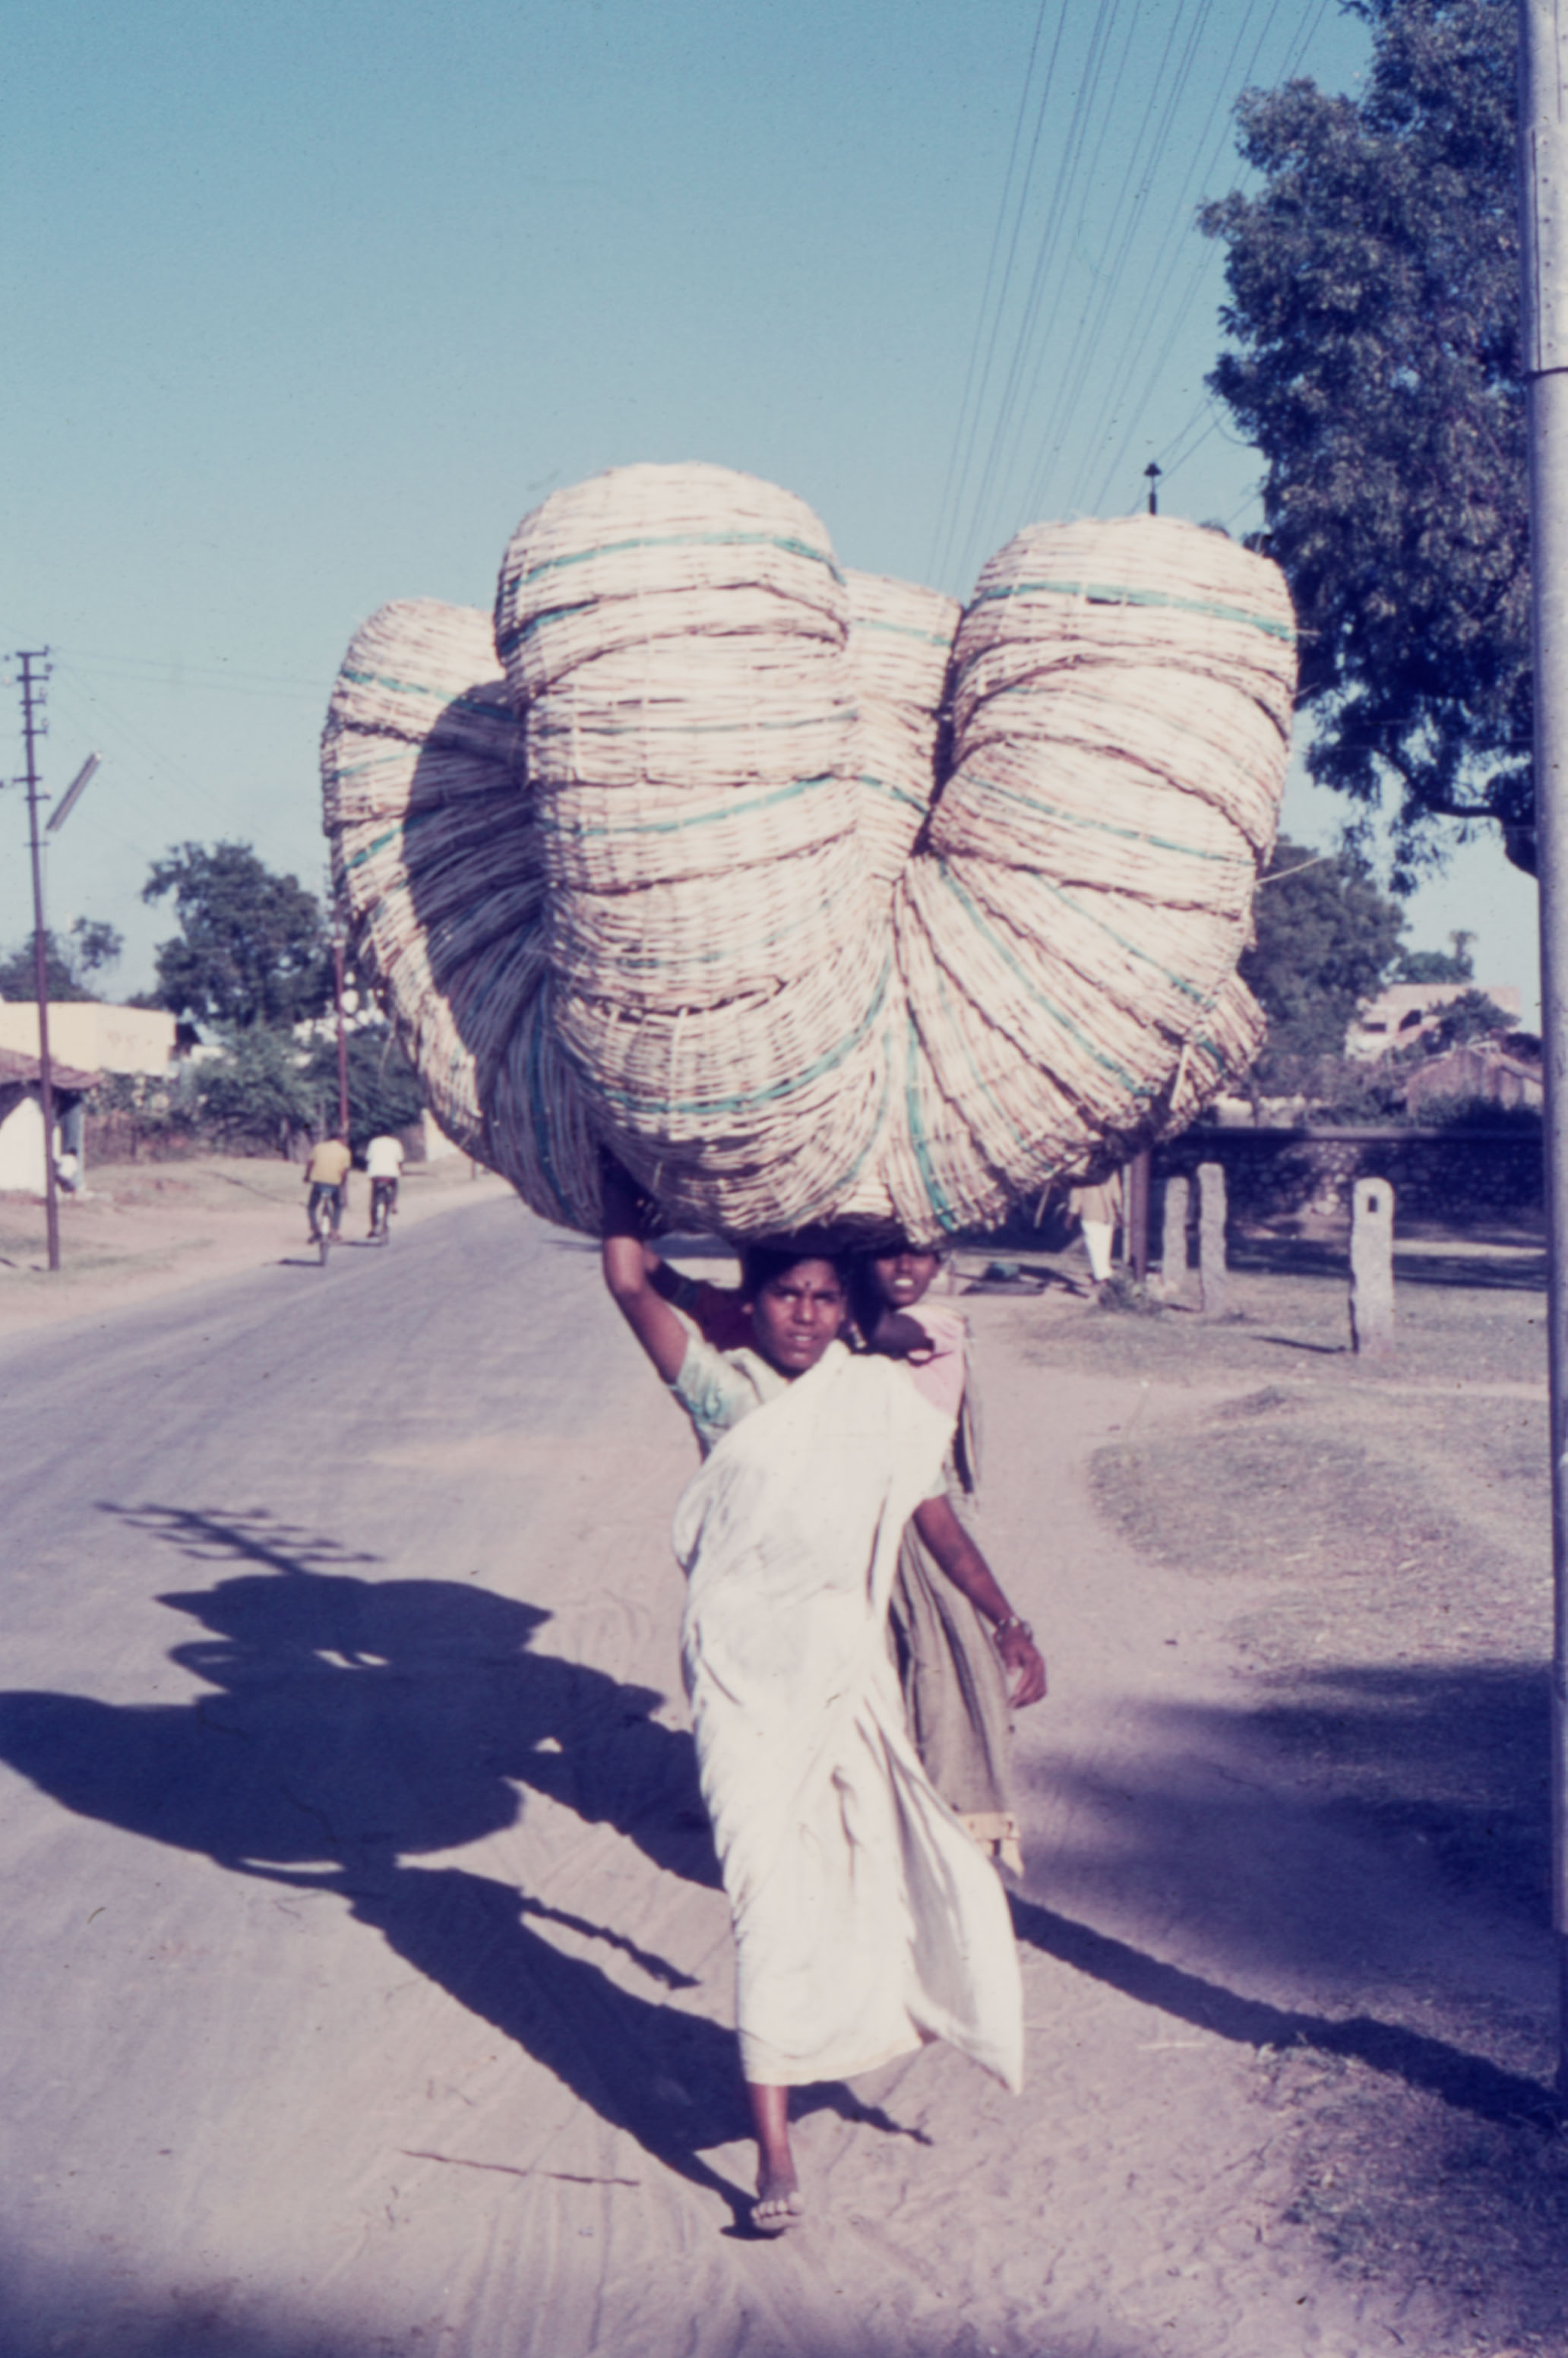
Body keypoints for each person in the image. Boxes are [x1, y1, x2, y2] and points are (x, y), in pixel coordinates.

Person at [601, 1165, 1043, 2236]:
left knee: (885, 1855)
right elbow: (627, 1281)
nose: (803, 1314)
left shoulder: (877, 1402)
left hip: (843, 1666)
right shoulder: (724, 1394)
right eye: (785, 1295)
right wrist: (617, 1177)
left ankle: (904, 2009)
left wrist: (1006, 1619)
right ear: (751, 1302)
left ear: (848, 1308)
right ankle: (775, 2152)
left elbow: (935, 1520)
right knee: (764, 1894)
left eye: (823, 1297)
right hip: (741, 1676)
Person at [852, 1241, 1031, 1874]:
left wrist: (839, 1258)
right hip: (865, 1520)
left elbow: (882, 1331)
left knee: (945, 1664)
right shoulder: (845, 1340)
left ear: (941, 1264)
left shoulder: (937, 1324)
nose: (905, 1268)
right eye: (886, 1255)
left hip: (928, 1520)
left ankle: (945, 1828)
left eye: (921, 1256)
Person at [1068, 1169, 1122, 1290]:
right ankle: (1102, 1276)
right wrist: (1071, 1215)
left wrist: (1119, 1213)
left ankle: (1103, 1276)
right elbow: (1077, 1195)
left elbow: (1116, 1193)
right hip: (1095, 1215)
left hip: (1104, 1216)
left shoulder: (1110, 1171)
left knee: (1102, 1247)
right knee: (1097, 1247)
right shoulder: (1082, 1172)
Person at [303, 1130, 352, 1242]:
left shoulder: (318, 1148)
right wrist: (343, 1183)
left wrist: (307, 1176)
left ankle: (315, 1230)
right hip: (334, 1184)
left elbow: (310, 1164)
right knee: (338, 1206)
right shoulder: (345, 1151)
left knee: (312, 1207)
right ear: (341, 1139)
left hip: (318, 1183)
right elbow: (345, 1171)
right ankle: (335, 1231)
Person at [364, 1132, 406, 1235]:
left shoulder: (373, 1142)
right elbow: (400, 1160)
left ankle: (374, 1226)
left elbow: (368, 1159)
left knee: (374, 1198)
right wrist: (400, 1171)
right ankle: (394, 1204)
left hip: (376, 1174)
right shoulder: (395, 1143)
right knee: (395, 1186)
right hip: (391, 1174)